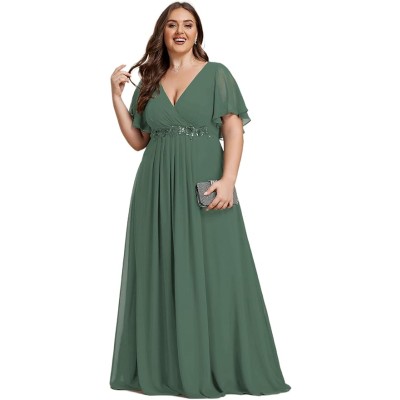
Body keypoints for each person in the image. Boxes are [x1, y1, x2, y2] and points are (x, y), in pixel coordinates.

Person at [109, 1, 291, 397]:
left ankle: (219, 365)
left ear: (197, 33)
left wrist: (228, 180)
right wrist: (116, 98)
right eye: (172, 24)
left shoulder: (216, 74)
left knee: (219, 272)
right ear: (162, 32)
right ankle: (167, 368)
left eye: (188, 25)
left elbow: (233, 128)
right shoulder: (150, 80)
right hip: (155, 190)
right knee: (160, 271)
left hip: (207, 186)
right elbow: (139, 141)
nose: (180, 31)